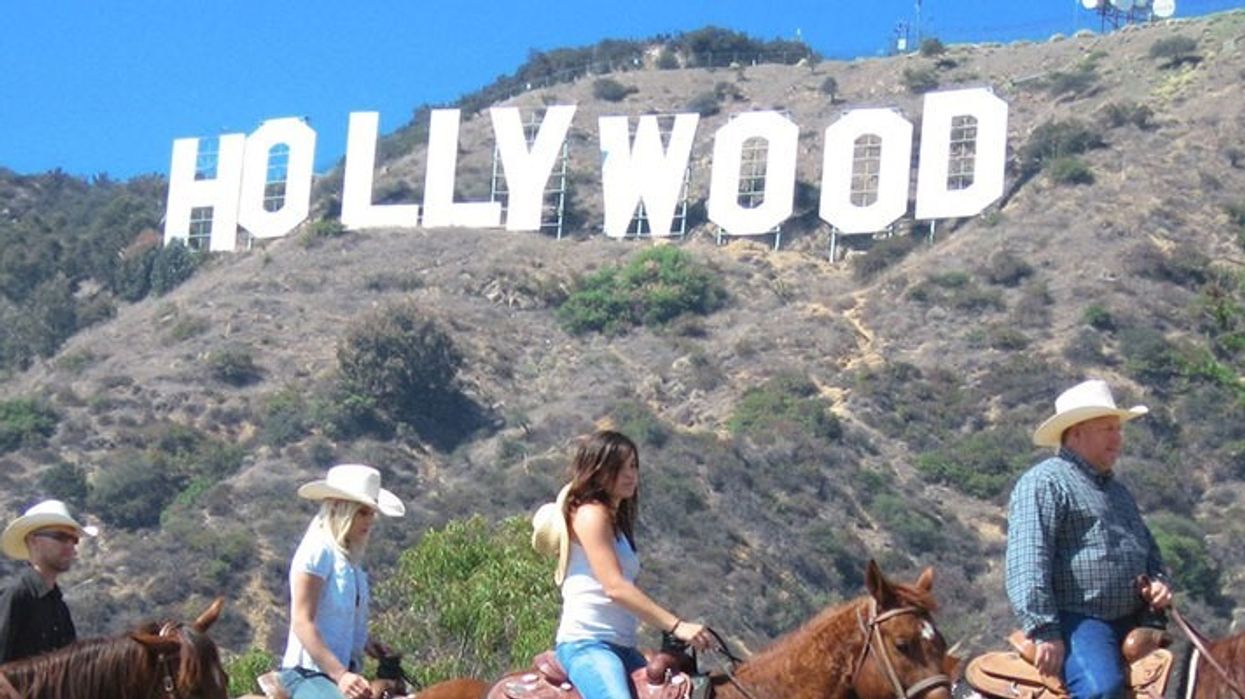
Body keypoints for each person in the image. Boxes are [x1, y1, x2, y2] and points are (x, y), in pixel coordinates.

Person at [1005, 379, 1173, 699]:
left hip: (1137, 620)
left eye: (1118, 429)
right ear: (1076, 433)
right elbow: (1028, 562)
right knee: (1102, 690)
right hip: (1078, 620)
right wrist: (1045, 631)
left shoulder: (1118, 492)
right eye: (1107, 428)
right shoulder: (1045, 483)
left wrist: (1159, 581)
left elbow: (1148, 550)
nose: (1118, 438)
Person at [541, 430, 712, 699]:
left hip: (623, 647)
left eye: (633, 465)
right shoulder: (590, 514)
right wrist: (676, 626)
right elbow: (615, 588)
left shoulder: (615, 522)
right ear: (597, 471)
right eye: (619, 468)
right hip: (588, 645)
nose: (630, 474)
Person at [278, 464, 404, 699]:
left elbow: (338, 620)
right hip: (306, 674)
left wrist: (367, 643)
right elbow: (302, 621)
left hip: (340, 674)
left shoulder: (349, 562)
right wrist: (341, 675)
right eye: (363, 512)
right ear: (339, 508)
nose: (370, 521)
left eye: (372, 513)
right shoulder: (316, 552)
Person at [0, 499, 98, 663]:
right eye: (61, 537)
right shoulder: (16, 596)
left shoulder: (60, 607)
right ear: (33, 541)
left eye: (74, 540)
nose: (70, 546)